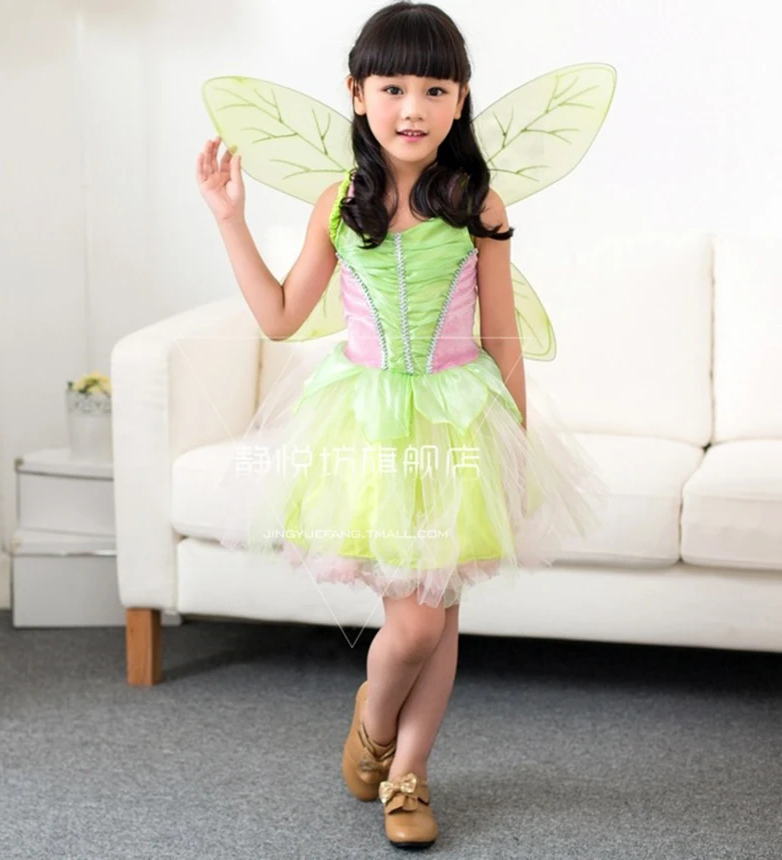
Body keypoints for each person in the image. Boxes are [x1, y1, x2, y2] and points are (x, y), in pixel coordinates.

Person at [196, 1, 607, 849]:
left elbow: (501, 336)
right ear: (357, 94)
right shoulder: (342, 202)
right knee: (414, 622)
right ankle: (374, 724)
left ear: (461, 99)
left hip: (460, 418)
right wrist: (230, 219)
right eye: (392, 88)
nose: (412, 108)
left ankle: (408, 777)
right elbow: (280, 316)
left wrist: (515, 447)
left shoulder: (476, 203)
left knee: (440, 611)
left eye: (434, 89)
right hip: (370, 422)